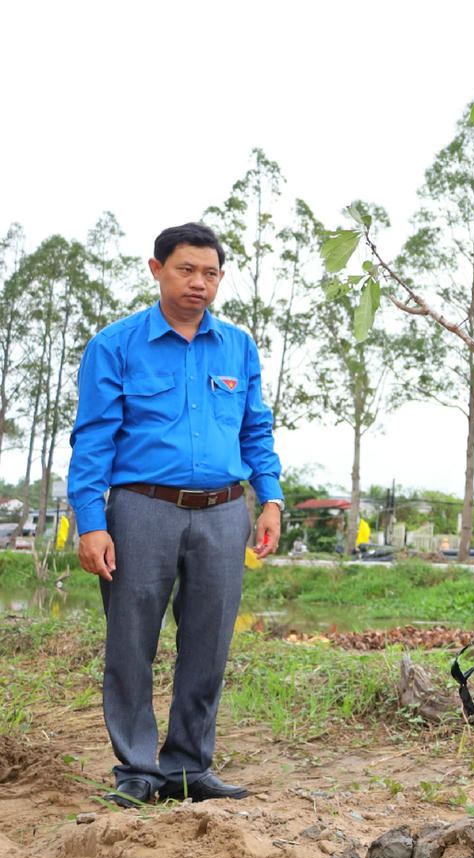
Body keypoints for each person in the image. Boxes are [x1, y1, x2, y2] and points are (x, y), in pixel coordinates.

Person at [69, 222, 285, 809]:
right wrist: (91, 522)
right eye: (186, 269)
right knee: (131, 640)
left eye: (210, 273)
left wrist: (270, 498)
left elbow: (256, 429)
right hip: (142, 510)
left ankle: (189, 765)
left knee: (209, 641)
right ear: (156, 269)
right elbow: (92, 441)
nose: (199, 282)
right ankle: (138, 768)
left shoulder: (237, 346)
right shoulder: (116, 345)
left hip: (223, 513)